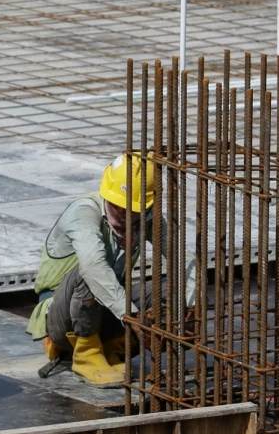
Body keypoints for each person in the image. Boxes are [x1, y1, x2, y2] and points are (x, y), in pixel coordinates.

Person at [26, 153, 196, 387]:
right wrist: (133, 316)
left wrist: (186, 307)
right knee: (89, 274)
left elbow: (184, 259)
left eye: (132, 210)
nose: (124, 215)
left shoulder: (145, 218)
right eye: (118, 206)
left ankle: (114, 346)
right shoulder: (83, 213)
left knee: (166, 291)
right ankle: (86, 355)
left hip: (106, 309)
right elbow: (93, 267)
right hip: (60, 314)